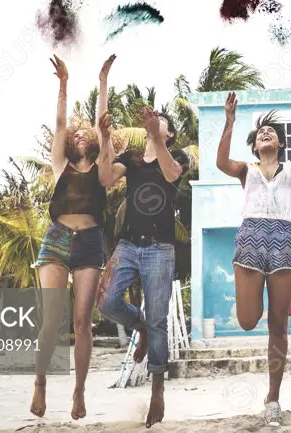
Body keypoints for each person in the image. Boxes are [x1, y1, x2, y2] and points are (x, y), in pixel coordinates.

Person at [216, 87, 291, 426]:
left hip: (285, 239)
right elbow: (220, 163)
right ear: (255, 145)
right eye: (261, 133)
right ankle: (256, 295)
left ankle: (273, 398)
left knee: (278, 324)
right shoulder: (246, 171)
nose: (265, 134)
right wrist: (229, 121)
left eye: (271, 132)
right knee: (248, 320)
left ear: (278, 143)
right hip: (251, 237)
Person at [95, 60, 189, 429]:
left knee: (160, 318)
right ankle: (143, 330)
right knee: (106, 302)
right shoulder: (131, 161)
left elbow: (172, 174)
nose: (155, 121)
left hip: (160, 249)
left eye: (161, 121)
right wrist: (104, 138)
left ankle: (157, 389)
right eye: (153, 120)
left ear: (168, 134)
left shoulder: (175, 156)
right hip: (129, 245)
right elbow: (103, 178)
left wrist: (156, 138)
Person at [31, 54, 115, 420]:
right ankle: (40, 382)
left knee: (82, 323)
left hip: (90, 242)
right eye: (75, 134)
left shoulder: (100, 170)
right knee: (52, 319)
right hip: (57, 238)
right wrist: (64, 84)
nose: (80, 134)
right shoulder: (60, 164)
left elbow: (101, 123)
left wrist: (102, 82)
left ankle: (79, 392)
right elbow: (61, 122)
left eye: (86, 133)